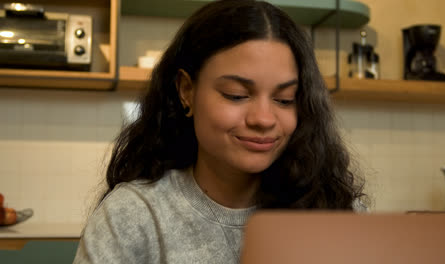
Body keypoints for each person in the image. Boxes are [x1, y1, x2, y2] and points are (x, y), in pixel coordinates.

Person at [73, 0, 365, 263]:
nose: (264, 119)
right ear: (186, 91)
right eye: (236, 95)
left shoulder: (335, 207)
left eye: (284, 99)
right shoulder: (134, 215)